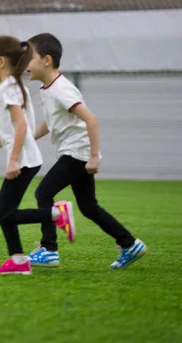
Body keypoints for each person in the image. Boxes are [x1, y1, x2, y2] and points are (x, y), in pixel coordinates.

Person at [26, 33, 147, 269]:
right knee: (88, 207)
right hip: (76, 153)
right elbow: (50, 123)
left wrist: (93, 156)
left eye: (29, 58)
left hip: (78, 154)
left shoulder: (62, 89)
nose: (24, 65)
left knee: (43, 193)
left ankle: (49, 249)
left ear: (47, 60)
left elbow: (91, 120)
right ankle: (129, 243)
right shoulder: (47, 89)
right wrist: (25, 139)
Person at [0, 35, 75, 275]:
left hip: (23, 161)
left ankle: (56, 213)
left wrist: (12, 161)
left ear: (0, 61)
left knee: (4, 212)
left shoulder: (9, 87)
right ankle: (18, 261)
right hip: (27, 159)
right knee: (4, 211)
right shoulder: (15, 85)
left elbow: (20, 127)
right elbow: (23, 129)